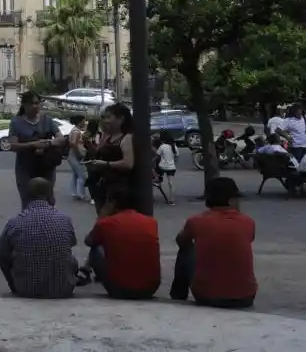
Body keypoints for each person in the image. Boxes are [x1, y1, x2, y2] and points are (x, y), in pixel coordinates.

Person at [170, 177, 256, 308]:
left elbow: (180, 241)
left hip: (207, 296)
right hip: (245, 297)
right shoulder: (248, 222)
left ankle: (178, 295)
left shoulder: (196, 221)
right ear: (231, 200)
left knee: (186, 249)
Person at [0, 177, 78, 299]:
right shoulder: (65, 220)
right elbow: (71, 243)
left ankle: (18, 284)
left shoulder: (14, 222)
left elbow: (3, 254)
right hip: (63, 289)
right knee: (70, 257)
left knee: (7, 254)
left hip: (26, 289)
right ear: (50, 195)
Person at [84, 184, 160, 300]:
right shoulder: (151, 222)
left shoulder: (106, 223)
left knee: (96, 249)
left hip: (118, 289)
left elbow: (89, 241)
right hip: (149, 288)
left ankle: (87, 272)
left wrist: (102, 216)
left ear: (113, 203)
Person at [7, 91, 67, 208]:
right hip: (25, 168)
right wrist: (33, 145)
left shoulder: (47, 120)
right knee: (27, 200)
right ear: (24, 105)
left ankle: (48, 224)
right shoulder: (16, 122)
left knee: (48, 199)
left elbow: (61, 139)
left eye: (37, 103)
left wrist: (47, 143)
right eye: (31, 103)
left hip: (46, 167)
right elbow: (13, 146)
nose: (35, 106)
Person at [84, 103, 135, 212]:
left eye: (108, 117)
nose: (105, 121)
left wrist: (105, 164)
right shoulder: (108, 136)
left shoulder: (127, 138)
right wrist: (88, 144)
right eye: (104, 117)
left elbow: (128, 163)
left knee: (104, 221)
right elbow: (98, 153)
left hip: (117, 188)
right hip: (103, 184)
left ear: (121, 119)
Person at [66, 115, 89, 202]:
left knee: (76, 175)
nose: (85, 122)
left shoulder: (74, 130)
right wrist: (78, 154)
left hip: (72, 155)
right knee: (81, 176)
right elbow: (73, 144)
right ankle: (81, 194)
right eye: (84, 121)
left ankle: (75, 193)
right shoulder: (76, 131)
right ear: (79, 121)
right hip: (75, 156)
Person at [155, 130, 178, 205]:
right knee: (171, 184)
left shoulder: (162, 146)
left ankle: (158, 179)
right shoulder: (174, 146)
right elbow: (176, 157)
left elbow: (157, 156)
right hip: (171, 167)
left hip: (162, 167)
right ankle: (172, 200)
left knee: (156, 168)